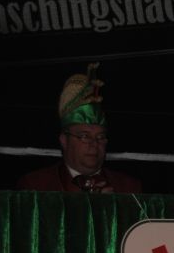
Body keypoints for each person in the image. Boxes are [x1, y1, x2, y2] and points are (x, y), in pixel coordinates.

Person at [16, 63, 142, 194]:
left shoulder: (129, 188)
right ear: (64, 140)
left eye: (100, 137)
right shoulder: (35, 186)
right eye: (84, 136)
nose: (94, 144)